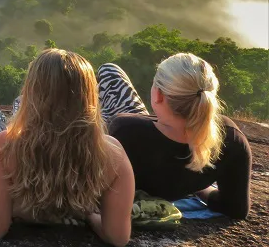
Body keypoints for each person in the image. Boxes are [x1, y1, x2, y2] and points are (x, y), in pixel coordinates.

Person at [0, 49, 134, 247]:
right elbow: (118, 237)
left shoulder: (5, 145)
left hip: (17, 145)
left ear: (31, 92)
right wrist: (89, 216)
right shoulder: (112, 153)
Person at [99, 54, 252, 219]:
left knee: (108, 70)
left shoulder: (126, 130)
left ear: (158, 95)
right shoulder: (231, 138)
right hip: (181, 186)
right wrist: (201, 188)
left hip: (127, 134)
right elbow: (236, 208)